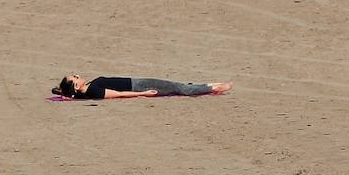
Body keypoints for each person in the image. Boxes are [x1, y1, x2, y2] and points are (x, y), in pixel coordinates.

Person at [53, 75, 232, 100]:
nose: (78, 75)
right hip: (139, 85)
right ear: (76, 86)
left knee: (175, 86)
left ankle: (209, 85)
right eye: (75, 77)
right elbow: (118, 94)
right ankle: (212, 87)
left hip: (137, 82)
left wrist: (63, 92)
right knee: (179, 88)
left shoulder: (87, 89)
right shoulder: (93, 91)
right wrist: (143, 93)